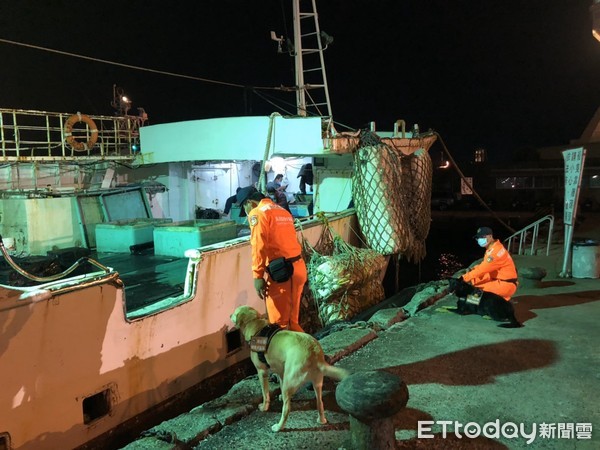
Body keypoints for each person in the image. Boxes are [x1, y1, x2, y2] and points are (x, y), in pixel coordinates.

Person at [237, 186, 307, 332]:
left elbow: (258, 245)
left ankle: (279, 353)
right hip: (298, 268)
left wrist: (257, 276)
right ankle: (303, 351)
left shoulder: (257, 213)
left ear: (250, 202)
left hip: (282, 274)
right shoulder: (282, 211)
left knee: (278, 325)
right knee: (292, 321)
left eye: (244, 207)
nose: (246, 211)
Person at [461, 226, 518, 301]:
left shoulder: (494, 253)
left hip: (505, 285)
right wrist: (473, 269)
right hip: (504, 281)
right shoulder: (494, 247)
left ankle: (474, 304)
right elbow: (485, 265)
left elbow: (482, 270)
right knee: (475, 280)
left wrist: (462, 279)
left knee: (474, 293)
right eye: (478, 237)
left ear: (490, 236)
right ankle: (500, 299)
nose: (480, 239)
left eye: (483, 237)